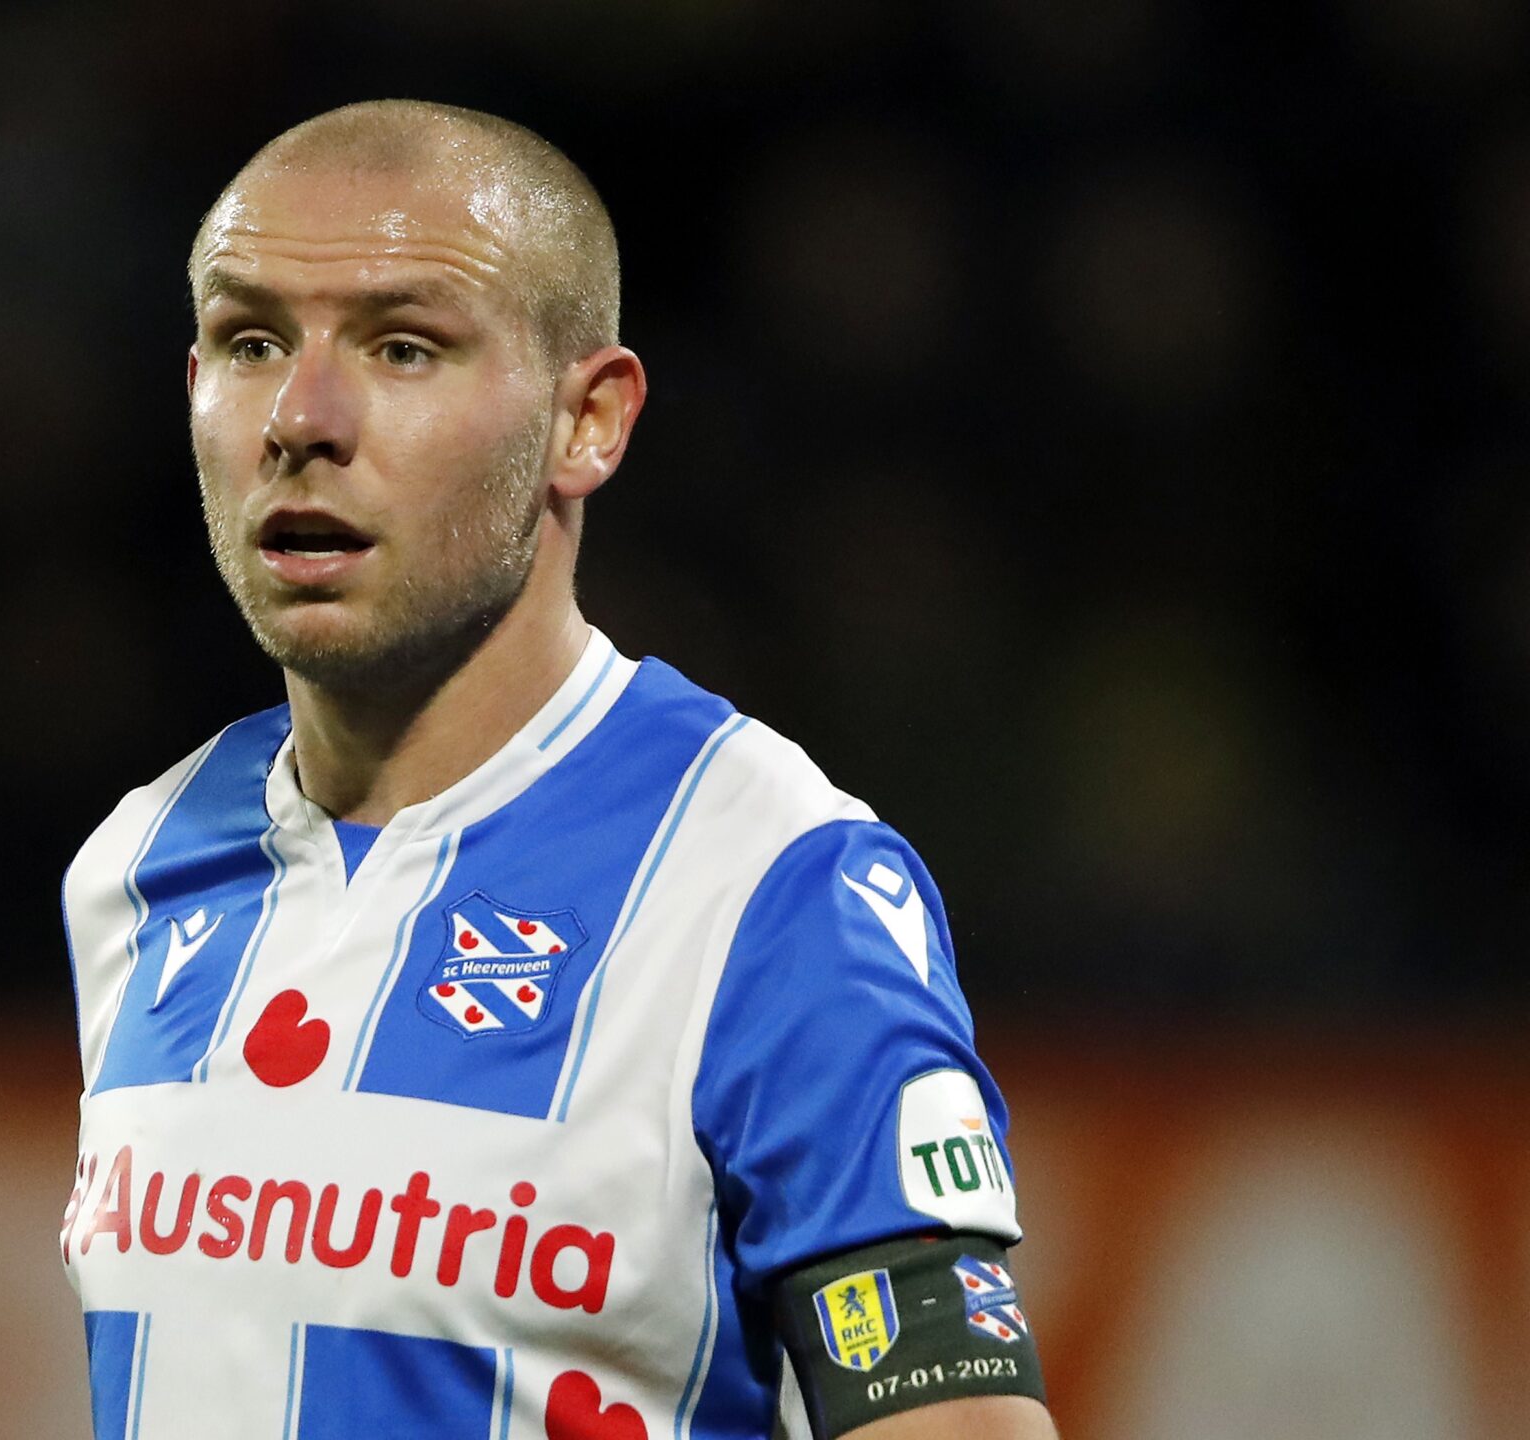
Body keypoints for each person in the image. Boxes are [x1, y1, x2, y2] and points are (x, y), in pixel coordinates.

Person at [58, 99, 1056, 1440]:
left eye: (404, 347)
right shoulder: (135, 866)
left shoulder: (768, 883)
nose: (302, 415)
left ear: (588, 422)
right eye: (250, 342)